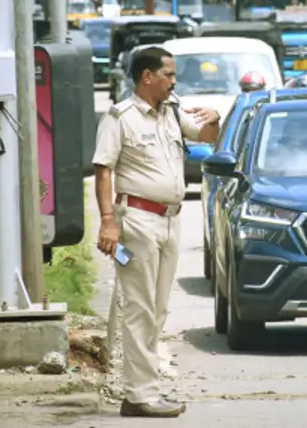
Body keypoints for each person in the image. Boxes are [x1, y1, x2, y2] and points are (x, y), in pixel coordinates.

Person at [92, 46, 220, 418]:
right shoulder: (120, 117)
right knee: (139, 308)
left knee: (159, 308)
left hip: (169, 221)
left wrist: (215, 118)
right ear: (147, 77)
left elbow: (208, 135)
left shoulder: (172, 113)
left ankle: (144, 390)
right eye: (169, 75)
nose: (174, 82)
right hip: (136, 222)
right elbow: (104, 171)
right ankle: (139, 395)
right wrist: (107, 221)